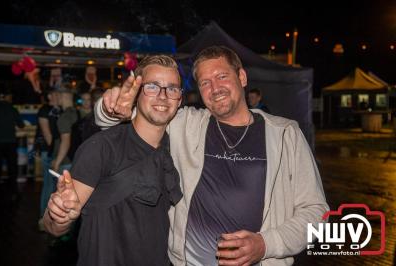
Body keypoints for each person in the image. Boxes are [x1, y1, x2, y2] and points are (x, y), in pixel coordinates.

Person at [95, 46, 329, 266]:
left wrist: (266, 244)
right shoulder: (184, 125)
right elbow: (118, 119)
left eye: (222, 76)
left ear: (242, 78)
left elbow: (318, 213)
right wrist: (110, 108)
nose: (215, 88)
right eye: (205, 82)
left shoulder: (285, 134)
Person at [43, 55, 183, 266]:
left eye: (172, 88)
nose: (163, 96)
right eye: (153, 87)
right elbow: (52, 226)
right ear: (136, 93)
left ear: (179, 99)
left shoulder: (176, 148)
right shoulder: (102, 147)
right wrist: (61, 215)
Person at [35, 88, 61, 229]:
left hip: (57, 153)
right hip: (48, 152)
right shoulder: (44, 110)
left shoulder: (59, 110)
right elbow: (48, 135)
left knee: (56, 187)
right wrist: (56, 154)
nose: (60, 96)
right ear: (50, 96)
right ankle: (42, 220)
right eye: (57, 94)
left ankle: (52, 219)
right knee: (48, 185)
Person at [0, 88, 24, 191]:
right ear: (5, 96)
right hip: (10, 142)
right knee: (12, 166)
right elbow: (21, 125)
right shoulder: (12, 108)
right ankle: (13, 188)